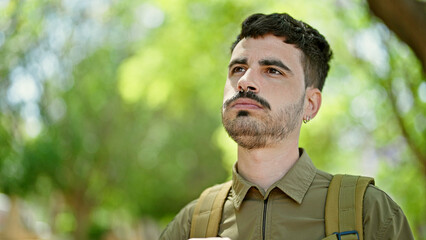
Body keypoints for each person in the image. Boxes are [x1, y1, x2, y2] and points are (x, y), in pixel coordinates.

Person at [159, 13, 414, 240]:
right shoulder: (190, 224)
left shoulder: (370, 213)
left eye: (272, 70)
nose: (245, 82)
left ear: (310, 104)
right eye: (238, 68)